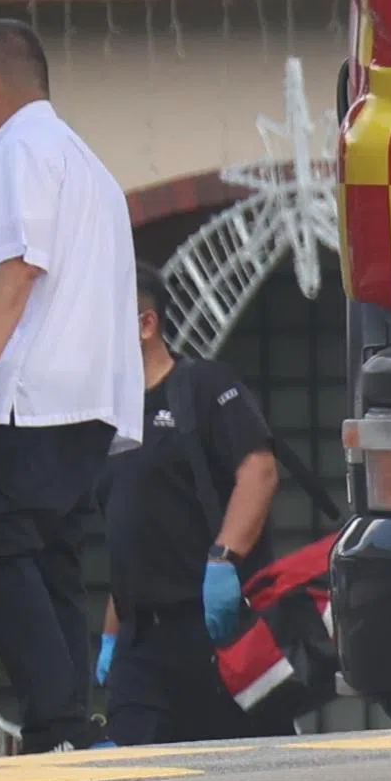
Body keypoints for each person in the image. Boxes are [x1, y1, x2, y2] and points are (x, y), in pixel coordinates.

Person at [0, 19, 143, 754]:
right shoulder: (82, 160)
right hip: (90, 396)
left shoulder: (17, 149)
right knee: (49, 552)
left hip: (35, 392)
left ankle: (55, 716)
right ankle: (66, 723)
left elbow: (21, 263)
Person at [97, 264, 289, 746]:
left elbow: (259, 471)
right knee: (124, 775)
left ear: (146, 324)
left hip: (211, 626)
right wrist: (111, 634)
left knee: (245, 773)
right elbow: (127, 532)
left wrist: (223, 561)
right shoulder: (108, 420)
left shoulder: (202, 387)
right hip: (140, 644)